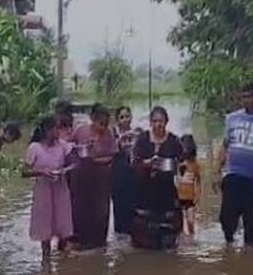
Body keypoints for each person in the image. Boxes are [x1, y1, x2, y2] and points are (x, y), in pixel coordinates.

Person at [213, 82, 253, 246]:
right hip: (232, 175)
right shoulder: (232, 118)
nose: (247, 100)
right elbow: (224, 145)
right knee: (227, 219)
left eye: (250, 96)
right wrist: (216, 171)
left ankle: (251, 258)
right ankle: (229, 247)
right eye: (244, 97)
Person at [24, 116, 73, 268]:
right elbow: (24, 172)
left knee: (63, 227)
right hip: (43, 192)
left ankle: (63, 266)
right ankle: (46, 266)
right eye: (55, 128)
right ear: (47, 130)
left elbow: (76, 162)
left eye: (59, 128)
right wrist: (43, 172)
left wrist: (64, 170)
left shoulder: (63, 146)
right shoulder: (35, 148)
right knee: (45, 230)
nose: (58, 132)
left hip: (60, 190)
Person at [132, 106, 184, 248]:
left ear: (166, 122)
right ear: (150, 122)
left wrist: (176, 167)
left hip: (167, 192)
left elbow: (183, 163)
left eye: (161, 121)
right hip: (145, 192)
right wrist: (146, 163)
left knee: (168, 240)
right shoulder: (142, 139)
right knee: (144, 240)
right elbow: (134, 162)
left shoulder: (174, 141)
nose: (158, 124)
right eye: (154, 121)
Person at [70, 104, 117, 250]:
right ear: (92, 119)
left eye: (105, 124)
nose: (102, 127)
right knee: (80, 208)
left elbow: (112, 156)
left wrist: (95, 160)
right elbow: (71, 149)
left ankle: (99, 242)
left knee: (101, 210)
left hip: (101, 176)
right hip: (81, 176)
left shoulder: (109, 134)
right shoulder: (80, 131)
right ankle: (80, 240)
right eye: (100, 123)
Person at [111, 106, 138, 235]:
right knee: (119, 205)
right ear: (117, 120)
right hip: (117, 174)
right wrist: (120, 140)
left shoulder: (137, 133)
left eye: (127, 116)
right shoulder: (113, 133)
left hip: (133, 174)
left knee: (133, 203)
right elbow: (109, 150)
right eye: (122, 117)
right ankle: (119, 233)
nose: (125, 120)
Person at [177, 134, 201, 236]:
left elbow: (198, 181)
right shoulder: (177, 163)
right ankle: (183, 243)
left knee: (190, 221)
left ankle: (192, 239)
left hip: (190, 198)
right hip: (178, 197)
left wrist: (198, 196)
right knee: (180, 224)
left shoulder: (195, 164)